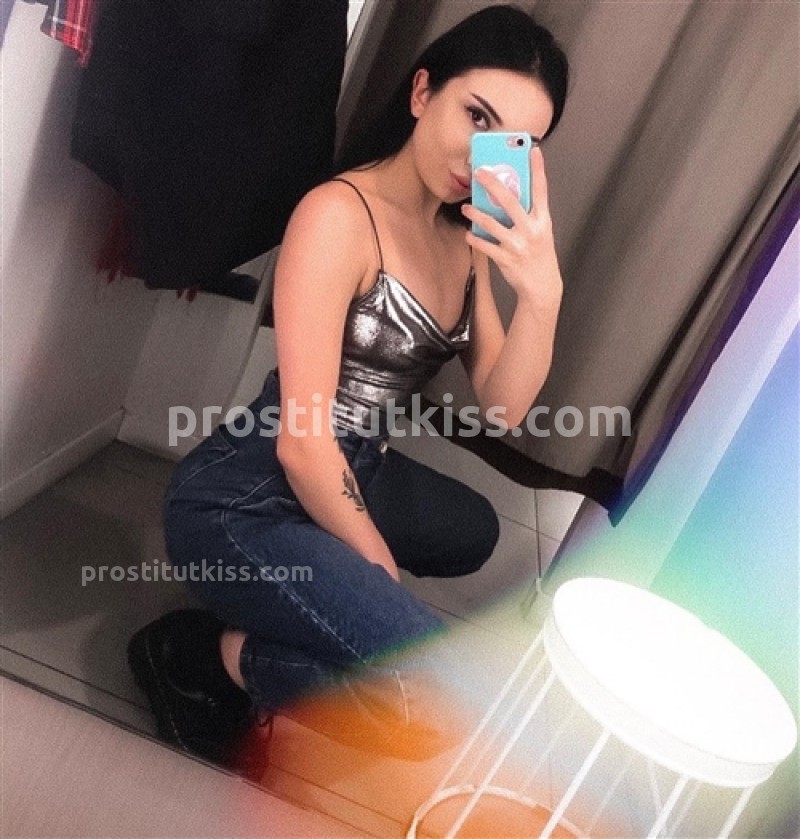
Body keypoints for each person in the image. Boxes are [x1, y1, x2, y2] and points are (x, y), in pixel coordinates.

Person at [127, 4, 569, 774]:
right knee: (435, 704)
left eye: (512, 141)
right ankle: (206, 653)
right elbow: (303, 443)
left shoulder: (465, 239)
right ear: (422, 92)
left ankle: (306, 597)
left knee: (474, 530)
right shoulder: (337, 214)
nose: (480, 153)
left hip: (355, 461)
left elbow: (503, 407)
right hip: (246, 492)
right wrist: (373, 567)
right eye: (476, 115)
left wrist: (543, 294)